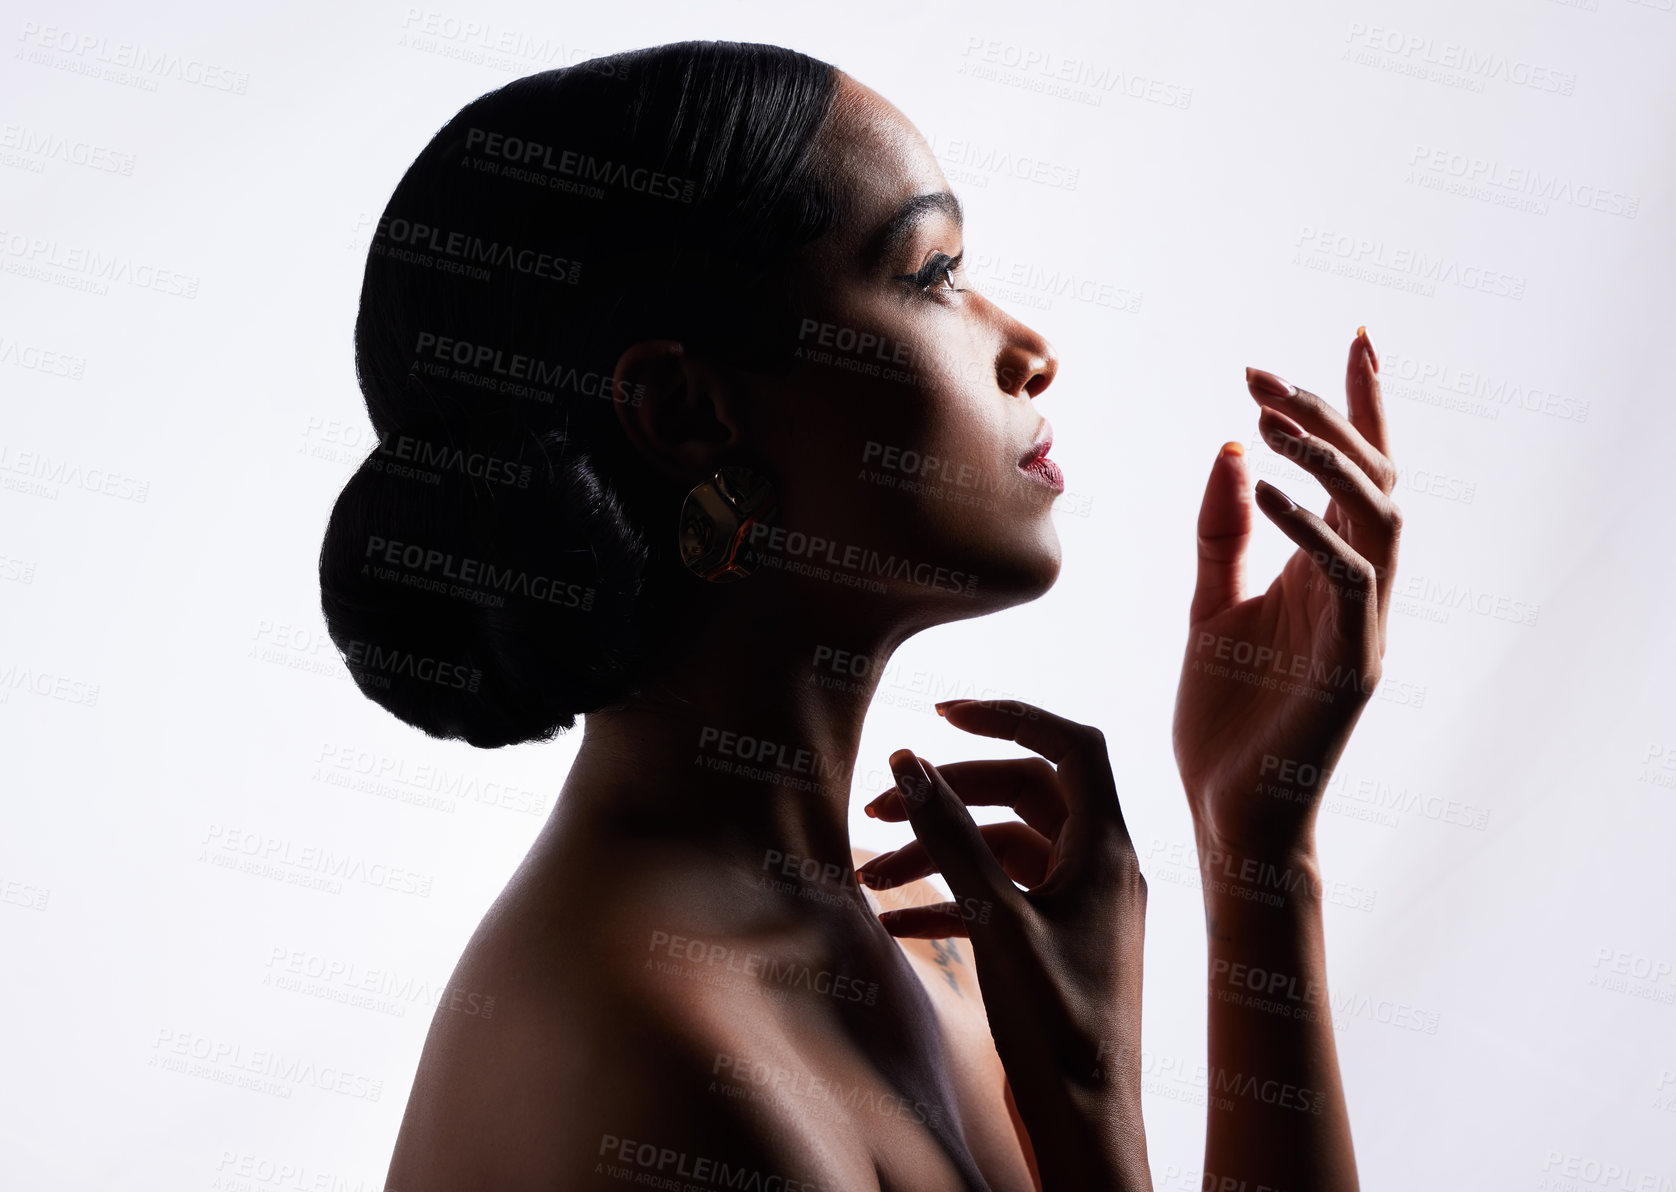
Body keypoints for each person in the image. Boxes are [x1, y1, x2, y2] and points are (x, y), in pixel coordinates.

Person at [319, 38, 1401, 1192]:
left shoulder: (907, 939)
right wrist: (1087, 1111)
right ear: (685, 412)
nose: (1028, 349)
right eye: (932, 273)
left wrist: (1258, 848)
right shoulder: (676, 1068)